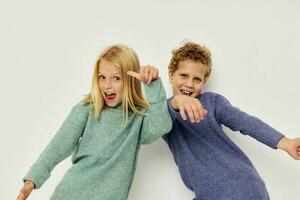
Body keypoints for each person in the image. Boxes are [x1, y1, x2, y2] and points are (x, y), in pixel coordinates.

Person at [16, 44, 172, 200]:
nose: (107, 85)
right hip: (70, 193)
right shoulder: (87, 109)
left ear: (131, 80)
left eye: (116, 78)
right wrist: (32, 181)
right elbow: (58, 146)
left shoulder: (138, 118)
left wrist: (153, 84)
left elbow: (161, 126)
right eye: (102, 77)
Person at [163, 41, 300, 200]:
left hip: (240, 185)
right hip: (210, 193)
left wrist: (285, 142)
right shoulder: (164, 112)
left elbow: (245, 122)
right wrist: (176, 101)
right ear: (171, 74)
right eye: (184, 75)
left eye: (197, 79)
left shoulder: (211, 102)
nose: (189, 84)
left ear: (204, 82)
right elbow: (156, 118)